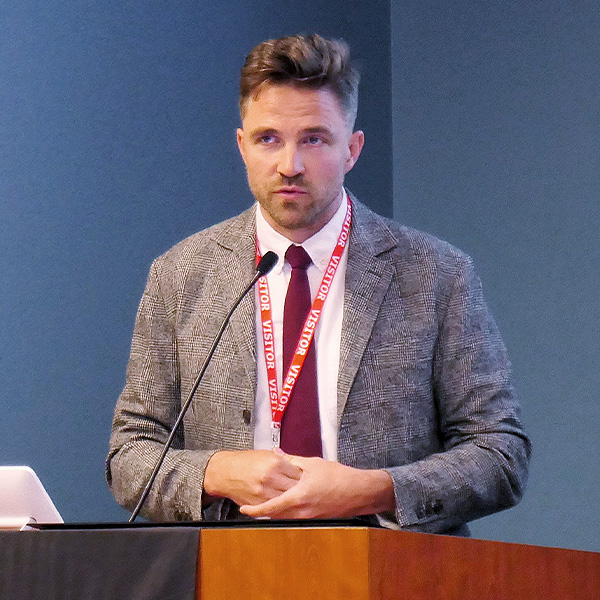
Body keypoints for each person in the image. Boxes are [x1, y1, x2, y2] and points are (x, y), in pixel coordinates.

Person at [106, 34, 530, 534]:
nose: (290, 165)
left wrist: (374, 489)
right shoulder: (180, 275)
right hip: (232, 566)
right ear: (242, 147)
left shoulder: (437, 274)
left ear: (352, 149)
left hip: (388, 564)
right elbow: (129, 454)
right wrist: (215, 472)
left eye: (314, 139)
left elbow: (500, 453)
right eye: (268, 139)